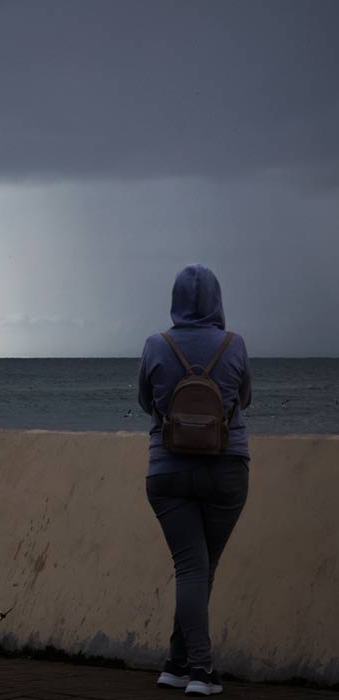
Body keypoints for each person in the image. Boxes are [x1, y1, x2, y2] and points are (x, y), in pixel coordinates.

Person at [138, 264, 251, 696]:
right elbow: (244, 399)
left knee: (192, 567)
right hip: (226, 470)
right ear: (217, 300)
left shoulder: (155, 345)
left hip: (166, 470)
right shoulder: (233, 344)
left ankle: (175, 662)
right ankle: (201, 672)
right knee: (201, 569)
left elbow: (146, 401)